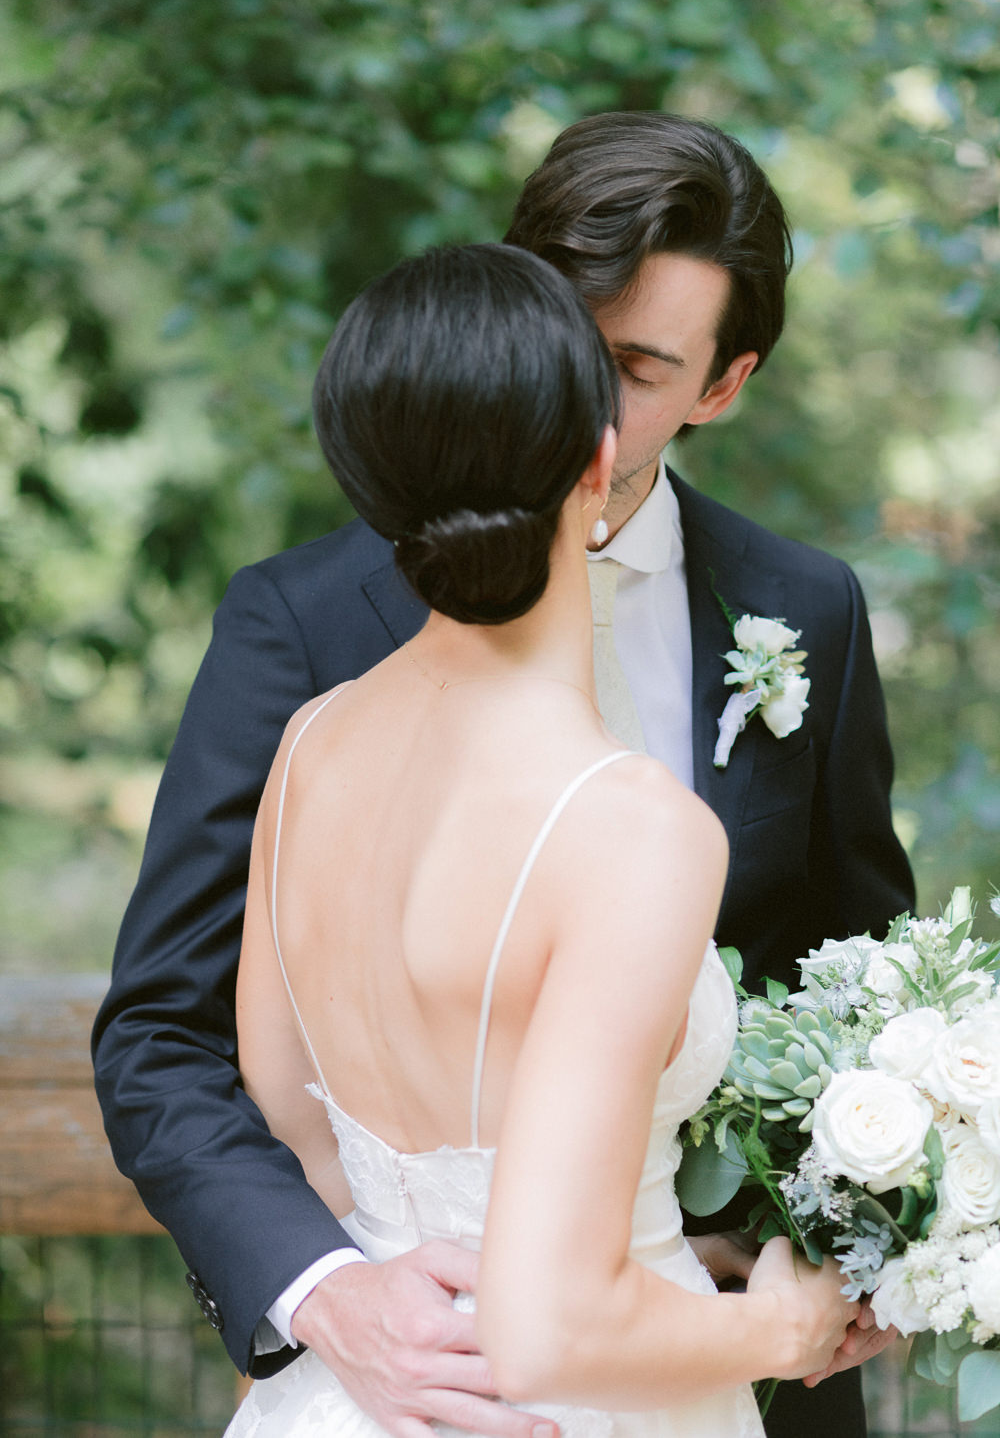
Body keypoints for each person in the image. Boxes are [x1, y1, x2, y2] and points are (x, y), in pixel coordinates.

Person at [93, 112, 913, 1438]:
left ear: (723, 384)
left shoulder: (805, 608)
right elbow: (162, 1035)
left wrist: (864, 1233)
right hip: (420, 1365)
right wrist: (330, 1290)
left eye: (636, 368)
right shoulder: (298, 629)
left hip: (698, 1358)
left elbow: (853, 980)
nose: (574, 403)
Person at [225, 239, 852, 1437]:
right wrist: (783, 1326)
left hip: (361, 1393)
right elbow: (549, 1325)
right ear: (597, 457)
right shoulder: (629, 829)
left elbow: (294, 1120)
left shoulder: (309, 744)